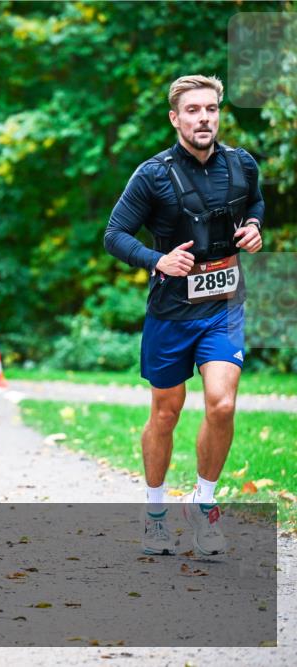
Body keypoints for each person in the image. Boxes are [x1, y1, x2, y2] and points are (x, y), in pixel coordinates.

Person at [104, 75, 264, 557]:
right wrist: (157, 260)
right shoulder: (152, 174)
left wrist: (254, 225)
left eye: (211, 109)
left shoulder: (241, 164)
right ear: (176, 118)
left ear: (219, 114)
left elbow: (253, 200)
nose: (204, 118)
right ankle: (155, 512)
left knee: (221, 404)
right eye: (193, 110)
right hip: (171, 310)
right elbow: (114, 234)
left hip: (224, 305)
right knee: (166, 412)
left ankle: (204, 504)